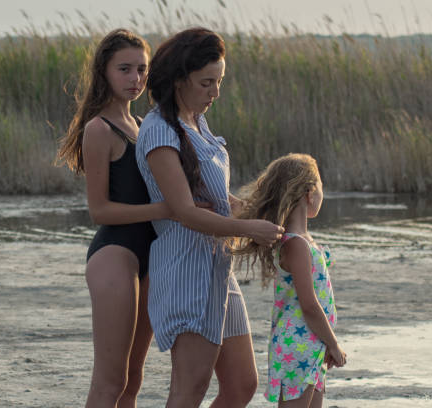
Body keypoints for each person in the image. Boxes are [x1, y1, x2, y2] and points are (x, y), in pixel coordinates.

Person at [135, 28, 285, 407]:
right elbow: (185, 212)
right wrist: (249, 228)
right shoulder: (159, 130)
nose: (215, 92)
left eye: (219, 81)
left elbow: (217, 200)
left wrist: (265, 211)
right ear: (179, 80)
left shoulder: (197, 123)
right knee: (191, 388)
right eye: (207, 82)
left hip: (218, 267)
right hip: (186, 269)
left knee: (241, 384)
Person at [56, 29, 163, 408]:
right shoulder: (99, 129)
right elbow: (99, 210)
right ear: (104, 71)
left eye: (142, 70)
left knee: (132, 380)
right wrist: (164, 210)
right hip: (116, 252)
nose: (135, 79)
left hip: (154, 256)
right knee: (110, 382)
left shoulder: (145, 125)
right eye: (125, 69)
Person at [233, 153, 347, 407]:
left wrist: (325, 344)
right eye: (320, 188)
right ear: (309, 193)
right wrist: (334, 344)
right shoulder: (295, 245)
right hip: (298, 346)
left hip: (313, 346)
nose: (321, 195)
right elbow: (309, 304)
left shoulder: (304, 241)